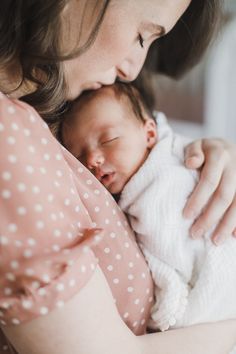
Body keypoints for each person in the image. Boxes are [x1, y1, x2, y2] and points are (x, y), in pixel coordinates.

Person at [0, 1, 236, 353]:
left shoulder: (39, 119)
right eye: (142, 35)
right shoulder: (9, 135)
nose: (132, 69)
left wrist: (195, 156)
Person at [61, 82, 236, 333]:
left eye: (108, 139)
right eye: (79, 155)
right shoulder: (117, 204)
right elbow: (159, 257)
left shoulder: (176, 159)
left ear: (150, 134)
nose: (92, 159)